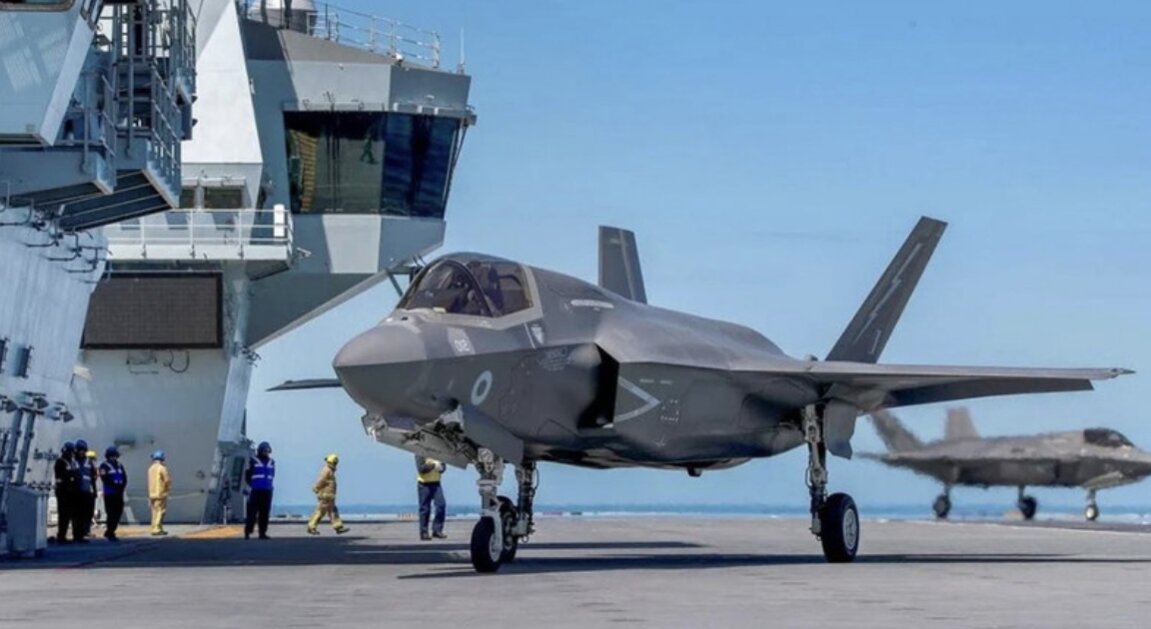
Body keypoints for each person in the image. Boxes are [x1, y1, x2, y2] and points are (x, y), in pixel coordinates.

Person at [306, 454, 349, 535]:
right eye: (335, 463)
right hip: (325, 496)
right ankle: (311, 527)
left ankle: (338, 527)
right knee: (320, 511)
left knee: (333, 511)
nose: (336, 465)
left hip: (330, 496)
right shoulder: (326, 470)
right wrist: (316, 488)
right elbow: (321, 480)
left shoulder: (330, 471)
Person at [244, 441, 275, 540]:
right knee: (252, 513)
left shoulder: (272, 462)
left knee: (264, 513)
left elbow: (272, 475)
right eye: (264, 450)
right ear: (260, 450)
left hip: (267, 491)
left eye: (267, 451)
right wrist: (251, 485)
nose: (266, 452)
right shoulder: (253, 460)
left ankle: (262, 533)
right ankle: (248, 532)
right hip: (255, 491)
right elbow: (247, 475)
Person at [415, 455, 447, 541]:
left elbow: (444, 467)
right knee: (425, 509)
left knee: (441, 505)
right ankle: (424, 532)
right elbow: (421, 469)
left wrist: (441, 468)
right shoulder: (420, 452)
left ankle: (437, 530)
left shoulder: (439, 453)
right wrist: (433, 465)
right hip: (424, 484)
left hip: (436, 483)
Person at [98, 446, 127, 542]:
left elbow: (124, 477)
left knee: (118, 511)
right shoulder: (104, 466)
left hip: (119, 492)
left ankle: (112, 529)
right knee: (111, 512)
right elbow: (105, 478)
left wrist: (122, 487)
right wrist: (115, 487)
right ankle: (110, 531)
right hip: (110, 493)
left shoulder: (119, 465)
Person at [53, 442, 79, 544]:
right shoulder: (60, 462)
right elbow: (63, 476)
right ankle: (61, 536)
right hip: (63, 492)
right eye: (71, 452)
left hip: (72, 492)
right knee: (64, 514)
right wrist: (71, 476)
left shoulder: (72, 462)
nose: (72, 454)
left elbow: (75, 474)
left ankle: (75, 535)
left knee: (73, 514)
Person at [75, 449, 99, 542]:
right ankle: (80, 533)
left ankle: (86, 531)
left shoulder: (89, 464)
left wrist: (95, 491)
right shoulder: (76, 461)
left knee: (88, 512)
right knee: (80, 514)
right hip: (79, 492)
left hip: (88, 491)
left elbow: (93, 478)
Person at [147, 450, 171, 536]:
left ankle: (154, 527)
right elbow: (167, 480)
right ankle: (157, 528)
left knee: (154, 512)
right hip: (160, 494)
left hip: (152, 493)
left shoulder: (150, 469)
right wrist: (168, 490)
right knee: (160, 511)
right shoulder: (162, 468)